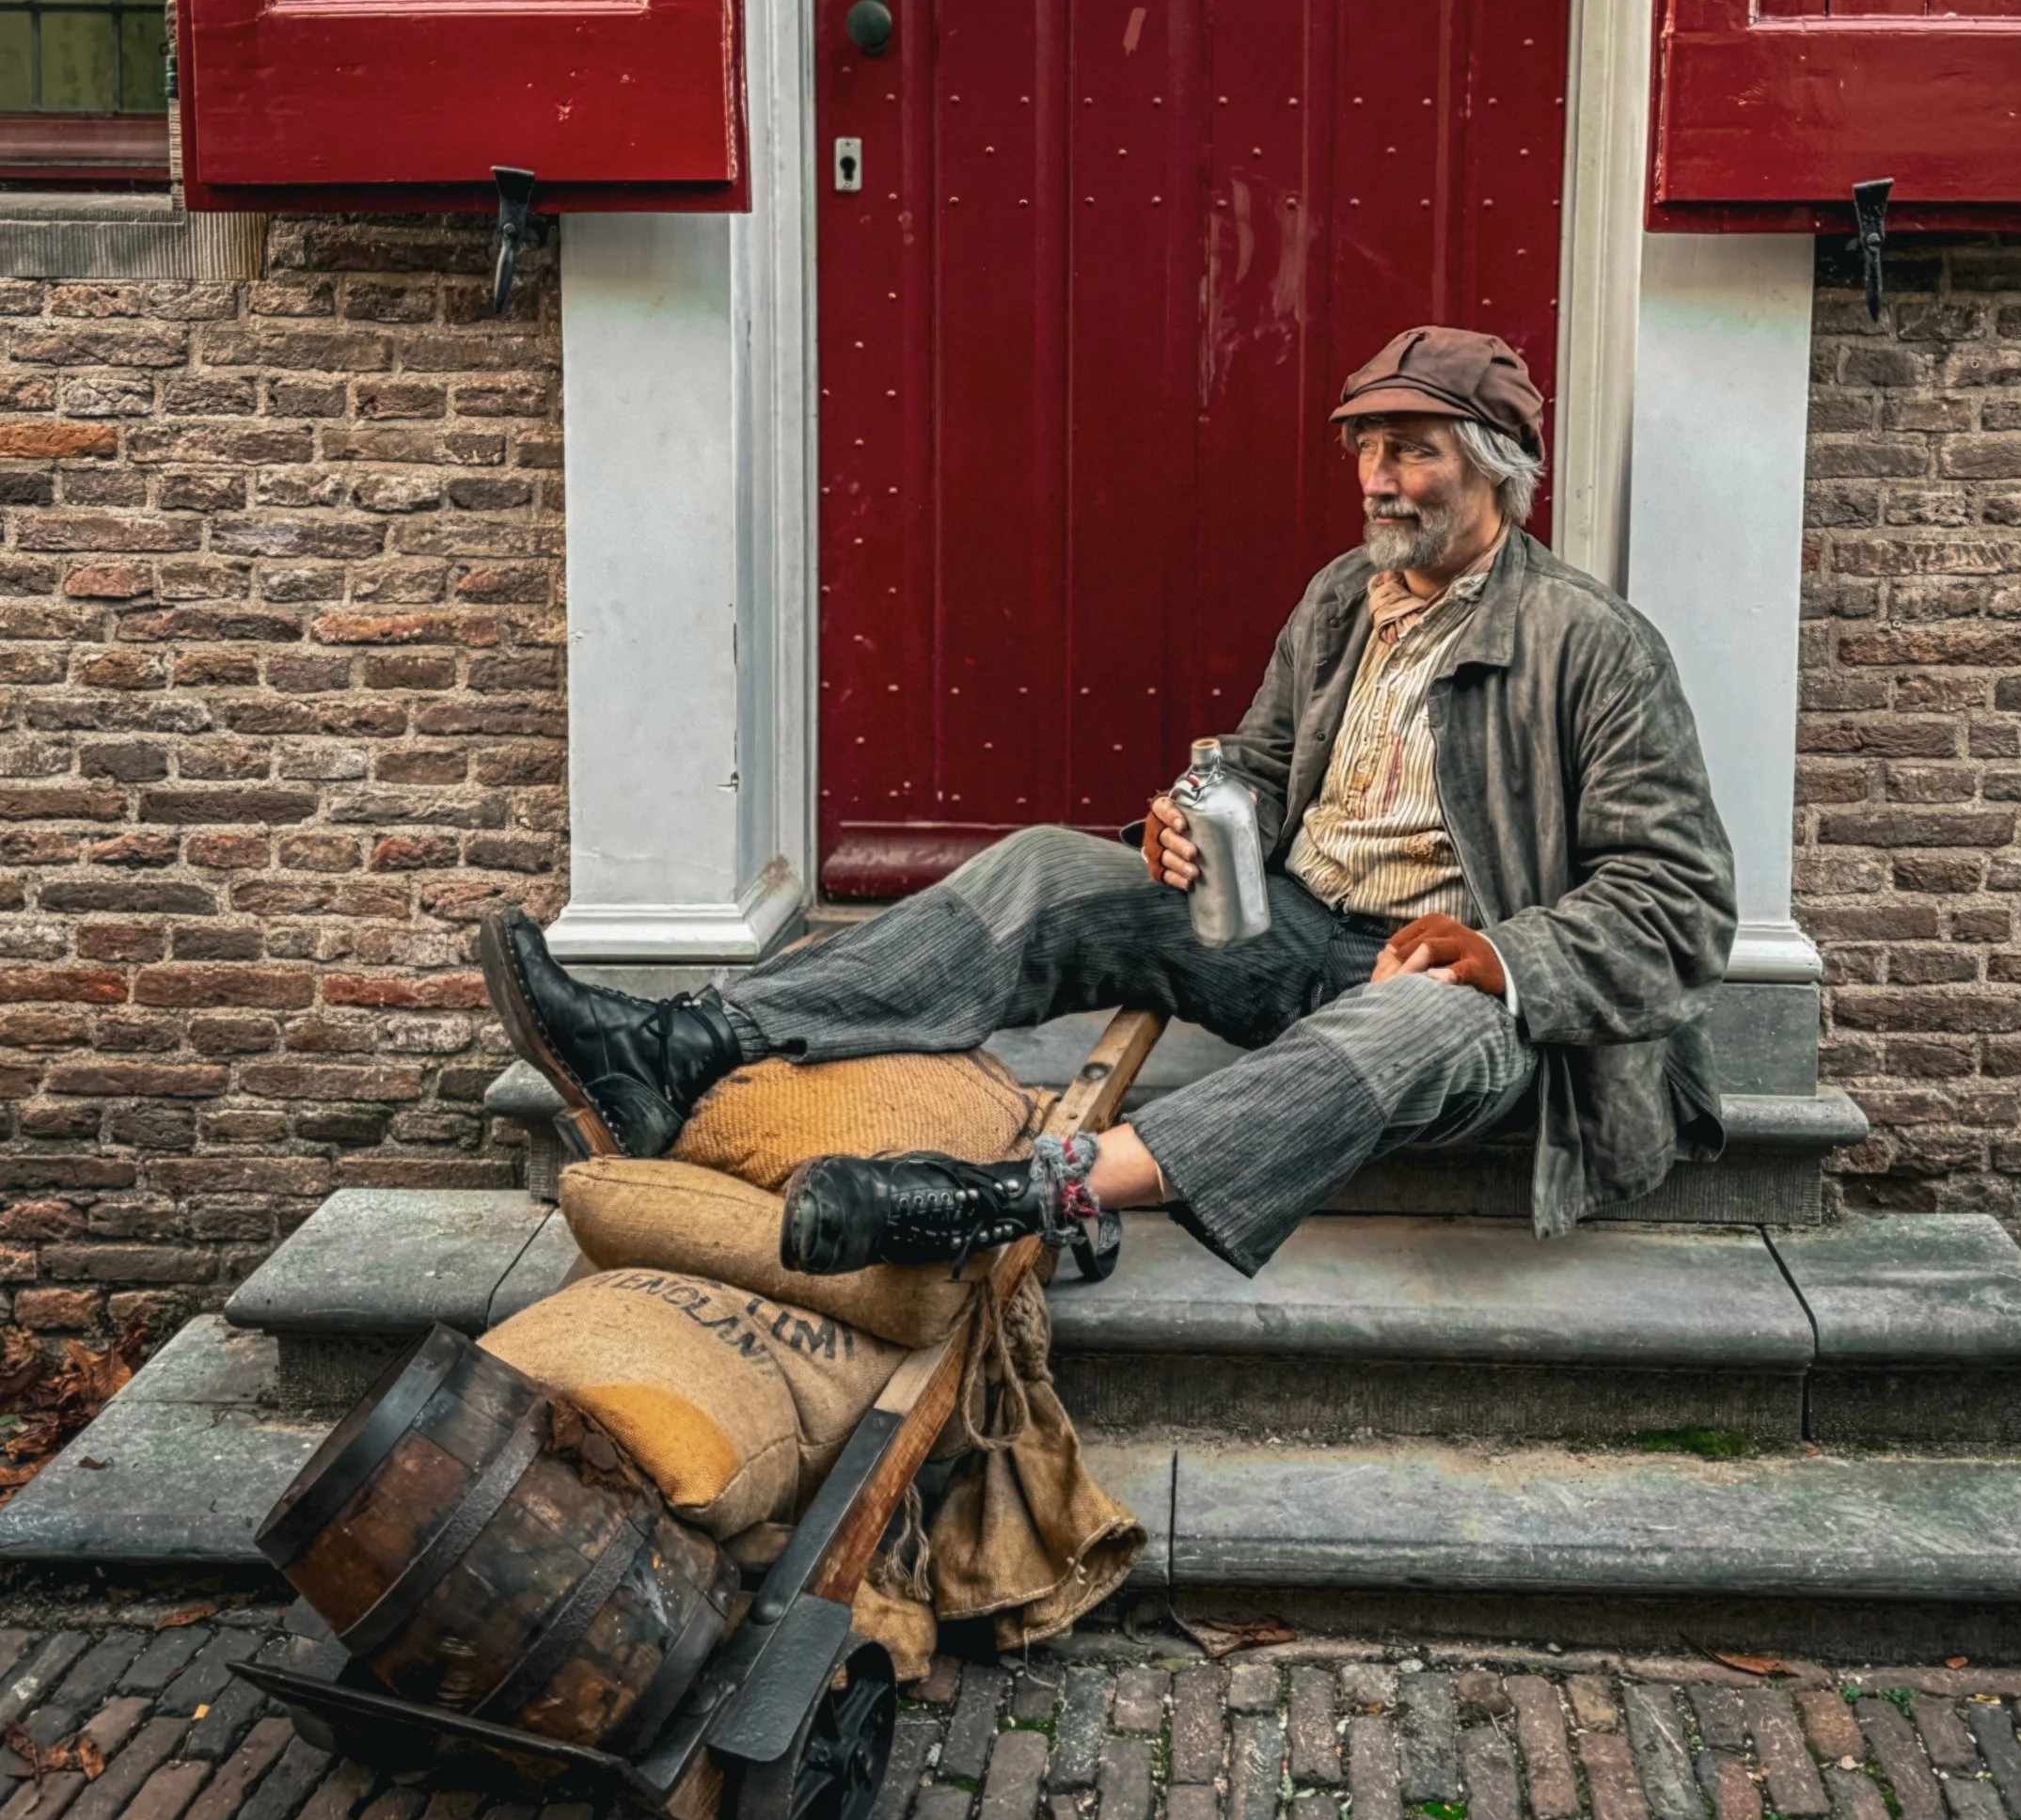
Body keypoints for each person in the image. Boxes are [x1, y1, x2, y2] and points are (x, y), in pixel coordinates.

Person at [482, 327, 1737, 1288]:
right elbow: (1258, 755)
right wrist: (1198, 812)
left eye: (1414, 450)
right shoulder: (1345, 602)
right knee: (1048, 864)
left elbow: (1677, 907)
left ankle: (1012, 1195)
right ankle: (675, 1047)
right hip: (1304, 936)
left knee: (1417, 1014)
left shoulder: (1591, 644)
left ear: (1500, 472)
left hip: (1476, 1014)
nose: (1376, 477)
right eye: (1365, 446)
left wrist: (1501, 958)